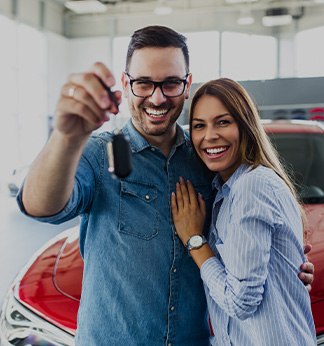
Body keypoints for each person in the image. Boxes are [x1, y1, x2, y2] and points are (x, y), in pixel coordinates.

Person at [16, 26, 313, 345]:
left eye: (171, 83)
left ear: (187, 86)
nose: (157, 98)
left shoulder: (208, 161)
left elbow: (238, 240)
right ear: (126, 85)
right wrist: (66, 136)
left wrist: (279, 268)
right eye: (144, 83)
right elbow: (40, 207)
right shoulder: (98, 155)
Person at [171, 78, 317, 345]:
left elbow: (240, 303)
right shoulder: (225, 192)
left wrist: (194, 240)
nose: (210, 135)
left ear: (245, 125)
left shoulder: (253, 185)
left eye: (223, 122)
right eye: (199, 126)